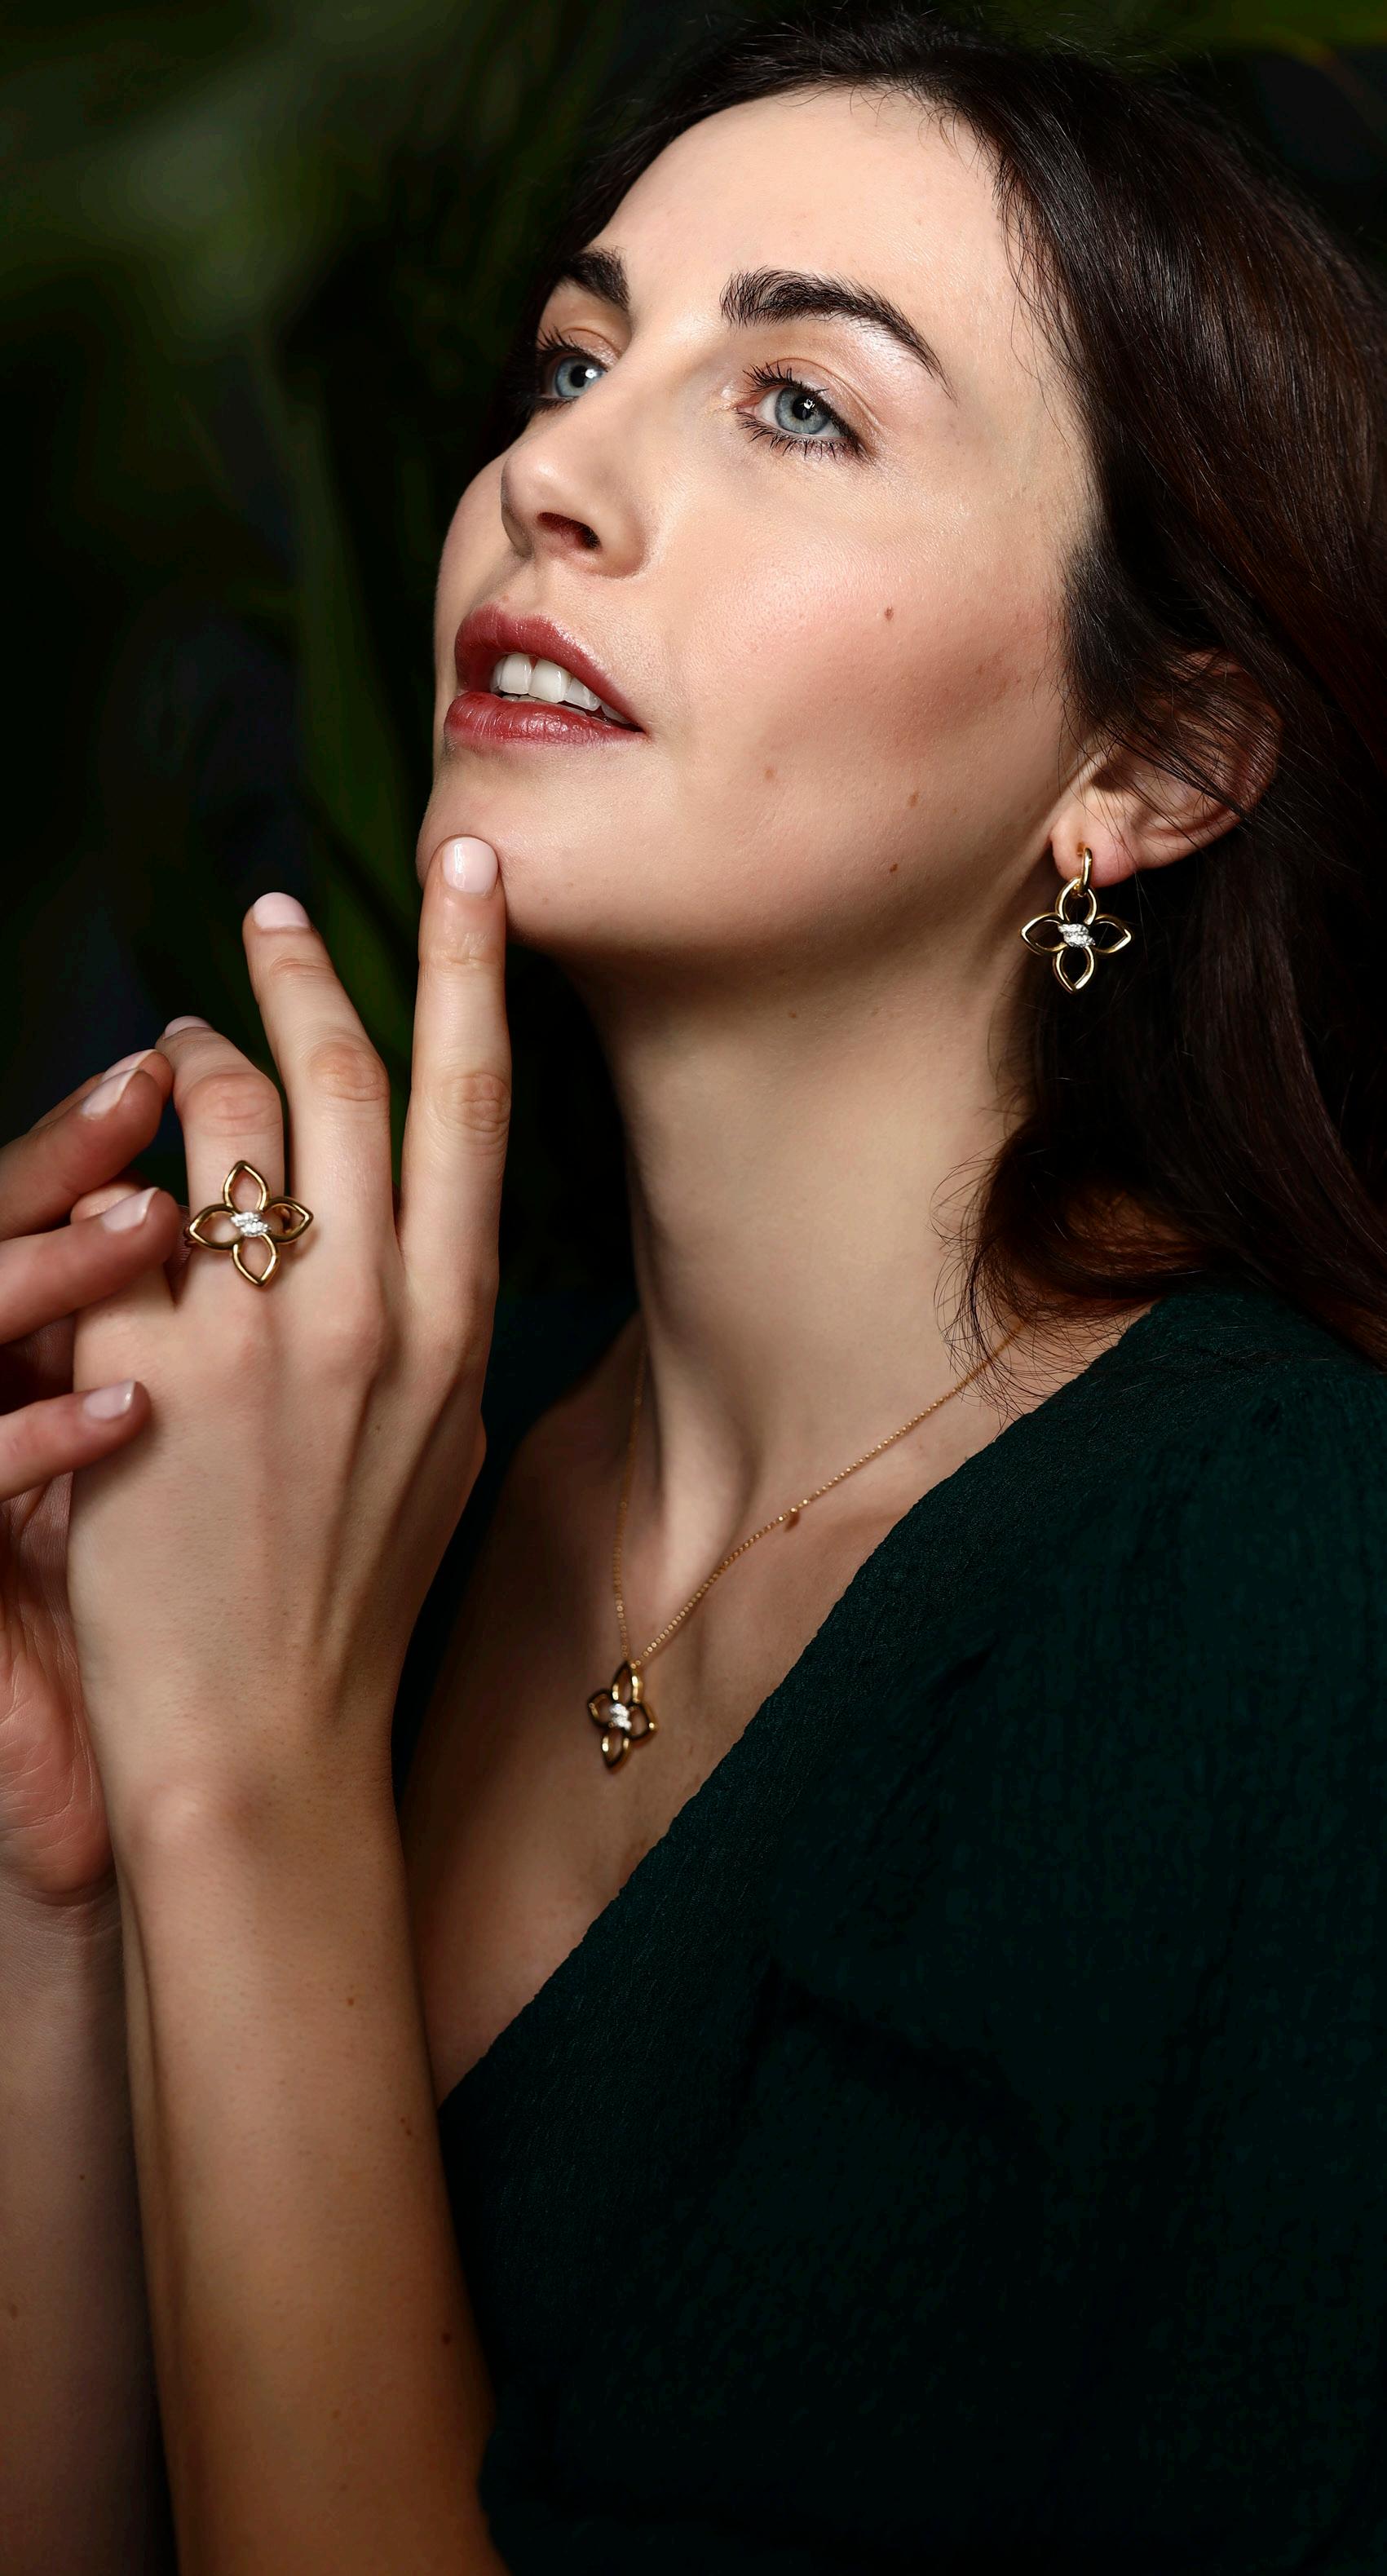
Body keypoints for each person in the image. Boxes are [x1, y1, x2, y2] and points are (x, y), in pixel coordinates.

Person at [3, 7, 1386, 2569]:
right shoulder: (344, 1477)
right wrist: (71, 1864)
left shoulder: (1303, 1601)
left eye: (799, 407)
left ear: (1154, 766)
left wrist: (248, 1783)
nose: (554, 476)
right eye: (574, 357)